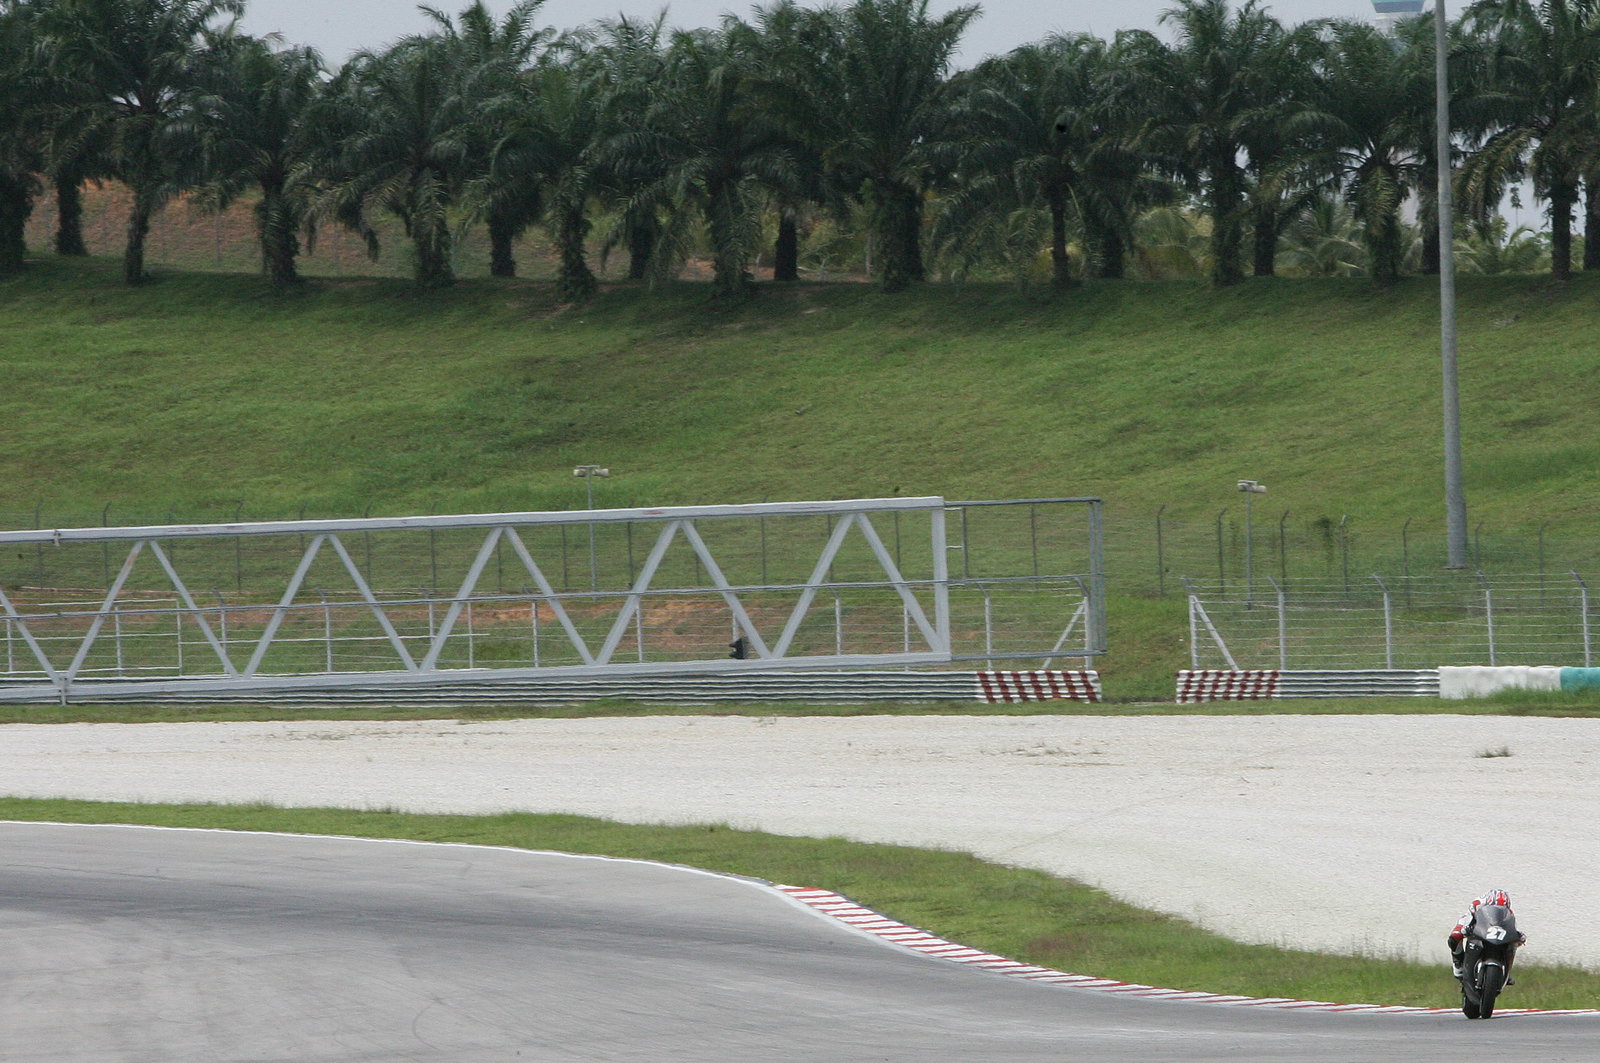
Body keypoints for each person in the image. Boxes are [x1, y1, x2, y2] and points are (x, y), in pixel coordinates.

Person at [1448, 888, 1525, 982]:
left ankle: (1505, 971)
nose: (1498, 908)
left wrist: (1517, 936)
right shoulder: (1477, 904)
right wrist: (1467, 927)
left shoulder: (1509, 912)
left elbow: (1511, 926)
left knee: (1511, 944)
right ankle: (1458, 962)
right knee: (1455, 936)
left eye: (1502, 907)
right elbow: (1469, 918)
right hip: (1472, 921)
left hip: (1493, 929)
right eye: (1496, 906)